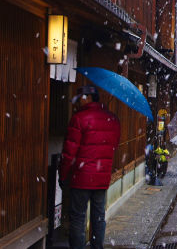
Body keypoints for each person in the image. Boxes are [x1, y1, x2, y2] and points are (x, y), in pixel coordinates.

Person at [59, 85, 121, 249]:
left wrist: (63, 173)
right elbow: (114, 145)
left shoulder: (79, 118)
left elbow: (69, 152)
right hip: (102, 176)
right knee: (98, 216)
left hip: (81, 177)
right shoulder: (112, 119)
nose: (78, 102)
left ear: (86, 98)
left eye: (80, 98)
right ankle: (97, 246)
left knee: (78, 217)